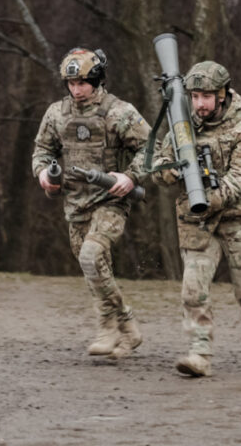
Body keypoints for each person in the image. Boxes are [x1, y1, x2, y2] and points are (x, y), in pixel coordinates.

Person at [152, 61, 241, 377]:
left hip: (240, 217)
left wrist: (207, 197)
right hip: (197, 219)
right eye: (195, 96)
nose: (200, 103)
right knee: (193, 287)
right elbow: (159, 163)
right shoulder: (181, 124)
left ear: (223, 94)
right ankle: (199, 353)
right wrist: (170, 170)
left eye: (206, 96)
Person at [32, 47, 151, 360]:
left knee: (91, 255)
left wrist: (131, 177)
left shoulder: (119, 112)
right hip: (75, 205)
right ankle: (127, 325)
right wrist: (44, 172)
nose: (76, 89)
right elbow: (42, 151)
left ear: (97, 80)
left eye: (82, 83)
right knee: (96, 271)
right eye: (71, 84)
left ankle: (107, 327)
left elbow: (152, 149)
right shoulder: (56, 114)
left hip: (110, 202)